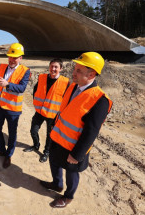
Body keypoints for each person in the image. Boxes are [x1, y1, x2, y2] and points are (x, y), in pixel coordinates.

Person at [39, 52, 113, 208]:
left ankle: (68, 196)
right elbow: (65, 111)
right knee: (54, 162)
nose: (73, 73)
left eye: (79, 70)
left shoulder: (100, 100)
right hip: (58, 139)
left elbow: (91, 131)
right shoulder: (73, 87)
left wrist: (78, 154)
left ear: (92, 74)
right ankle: (57, 184)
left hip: (74, 147)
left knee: (71, 173)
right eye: (75, 68)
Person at [0, 43, 31, 169]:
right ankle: (2, 150)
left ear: (20, 58)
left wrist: (7, 84)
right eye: (10, 57)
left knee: (12, 134)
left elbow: (22, 88)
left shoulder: (25, 71)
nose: (12, 60)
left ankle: (9, 155)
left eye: (15, 57)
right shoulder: (2, 67)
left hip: (13, 109)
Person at [24, 59, 69, 163]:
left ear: (60, 69)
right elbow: (35, 91)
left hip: (53, 114)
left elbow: (66, 99)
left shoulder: (65, 82)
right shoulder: (42, 78)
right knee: (33, 131)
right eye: (51, 66)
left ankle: (46, 152)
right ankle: (36, 145)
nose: (53, 69)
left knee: (50, 135)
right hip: (39, 112)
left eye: (56, 67)